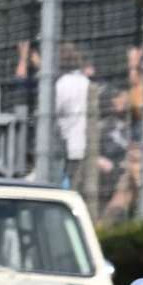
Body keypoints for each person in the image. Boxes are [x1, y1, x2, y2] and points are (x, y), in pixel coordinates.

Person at [53, 43, 89, 188]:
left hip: (68, 145)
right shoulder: (86, 81)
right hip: (84, 143)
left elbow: (54, 112)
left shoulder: (61, 84)